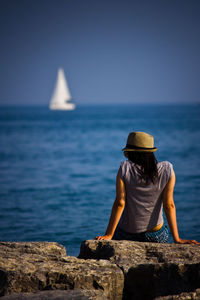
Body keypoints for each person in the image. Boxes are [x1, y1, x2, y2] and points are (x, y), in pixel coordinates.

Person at [95, 131, 198, 244]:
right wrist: (177, 239)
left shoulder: (125, 168)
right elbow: (169, 205)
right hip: (156, 234)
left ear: (130, 153)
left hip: (128, 233)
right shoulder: (167, 169)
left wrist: (109, 234)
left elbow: (120, 203)